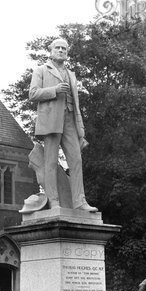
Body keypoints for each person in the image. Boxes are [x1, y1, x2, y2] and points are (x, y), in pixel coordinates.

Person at [29, 38, 98, 213]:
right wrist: (55, 90)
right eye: (57, 48)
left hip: (70, 121)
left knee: (76, 160)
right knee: (50, 162)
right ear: (51, 51)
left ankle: (79, 201)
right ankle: (54, 201)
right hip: (51, 121)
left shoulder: (71, 74)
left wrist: (80, 127)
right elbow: (33, 93)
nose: (61, 50)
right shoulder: (41, 70)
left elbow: (75, 104)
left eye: (64, 48)